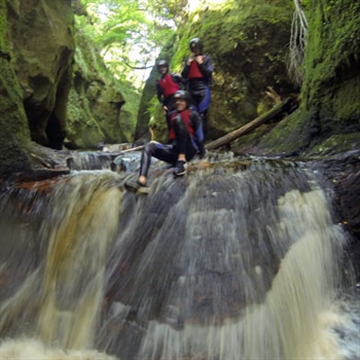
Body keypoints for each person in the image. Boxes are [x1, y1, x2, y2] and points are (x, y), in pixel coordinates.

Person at [125, 90, 205, 192]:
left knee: (177, 119)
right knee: (149, 146)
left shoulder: (193, 114)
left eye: (181, 100)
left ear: (187, 101)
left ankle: (182, 160)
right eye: (176, 101)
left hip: (189, 149)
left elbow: (200, 135)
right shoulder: (170, 115)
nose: (178, 103)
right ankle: (142, 181)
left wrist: (202, 154)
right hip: (173, 149)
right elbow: (172, 134)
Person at [181, 38, 213, 140]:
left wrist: (200, 63)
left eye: (197, 47)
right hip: (191, 88)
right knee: (191, 115)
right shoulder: (188, 60)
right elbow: (184, 75)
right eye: (193, 48)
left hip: (203, 88)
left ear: (200, 47)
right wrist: (187, 65)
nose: (195, 50)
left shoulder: (207, 59)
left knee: (202, 115)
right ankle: (193, 140)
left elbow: (208, 73)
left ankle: (202, 141)